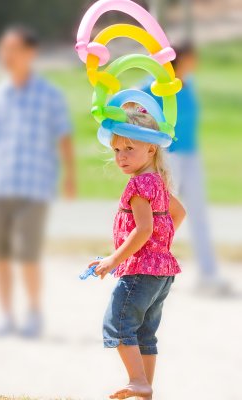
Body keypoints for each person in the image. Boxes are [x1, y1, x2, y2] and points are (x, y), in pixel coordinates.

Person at [0, 25, 76, 337]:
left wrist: (70, 176)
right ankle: (7, 316)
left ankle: (34, 312)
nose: (7, 55)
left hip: (34, 188)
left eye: (14, 49)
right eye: (4, 49)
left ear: (30, 54)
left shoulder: (49, 96)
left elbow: (64, 137)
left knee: (27, 255)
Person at [87, 103, 185, 399]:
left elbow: (142, 229)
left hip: (141, 271)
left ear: (152, 149)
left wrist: (114, 259)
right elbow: (178, 213)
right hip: (161, 272)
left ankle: (137, 381)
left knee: (117, 325)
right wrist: (159, 248)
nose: (122, 157)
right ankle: (145, 390)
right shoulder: (157, 181)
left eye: (130, 148)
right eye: (117, 150)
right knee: (145, 333)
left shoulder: (139, 184)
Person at [140, 42, 228, 293]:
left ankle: (208, 274)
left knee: (198, 214)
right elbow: (134, 106)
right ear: (181, 60)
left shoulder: (189, 85)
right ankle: (151, 266)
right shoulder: (156, 84)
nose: (196, 62)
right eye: (192, 58)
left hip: (192, 157)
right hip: (169, 158)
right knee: (164, 214)